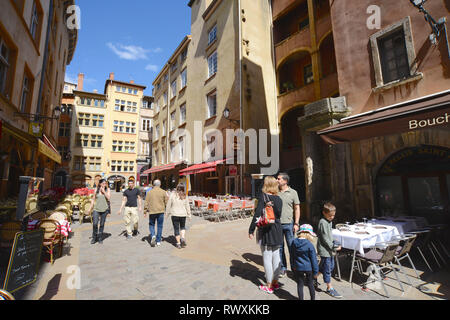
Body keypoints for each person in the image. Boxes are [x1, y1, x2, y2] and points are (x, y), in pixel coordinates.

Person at [248, 176, 283, 294]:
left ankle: (269, 285)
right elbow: (278, 215)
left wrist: (251, 229)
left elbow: (257, 215)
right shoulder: (279, 199)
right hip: (278, 229)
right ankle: (275, 282)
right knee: (276, 257)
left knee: (267, 258)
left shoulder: (263, 197)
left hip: (266, 230)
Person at [276, 172, 301, 277]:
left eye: (279, 179)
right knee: (280, 247)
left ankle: (295, 268)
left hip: (289, 224)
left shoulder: (293, 192)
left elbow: (297, 208)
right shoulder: (275, 192)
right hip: (277, 224)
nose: (277, 180)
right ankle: (283, 268)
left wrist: (296, 223)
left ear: (285, 181)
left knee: (292, 247)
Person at [316, 202, 343, 298]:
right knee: (327, 269)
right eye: (330, 215)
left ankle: (313, 277)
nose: (332, 217)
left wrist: (334, 243)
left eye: (333, 215)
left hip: (329, 249)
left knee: (329, 266)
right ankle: (329, 287)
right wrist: (334, 246)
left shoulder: (329, 221)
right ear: (324, 213)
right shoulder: (323, 222)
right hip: (324, 250)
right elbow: (325, 238)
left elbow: (329, 235)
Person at [290, 224, 319, 300]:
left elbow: (292, 255)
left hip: (298, 267)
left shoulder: (293, 242)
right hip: (308, 268)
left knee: (300, 284)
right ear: (308, 234)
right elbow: (314, 259)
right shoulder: (309, 245)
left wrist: (292, 266)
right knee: (310, 284)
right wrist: (316, 272)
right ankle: (312, 298)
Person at [165, 184, 191, 249]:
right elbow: (187, 206)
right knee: (182, 227)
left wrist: (167, 213)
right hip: (183, 214)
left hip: (174, 214)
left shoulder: (172, 195)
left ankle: (178, 243)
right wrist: (189, 215)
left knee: (176, 228)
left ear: (177, 188)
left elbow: (168, 205)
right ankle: (182, 237)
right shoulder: (185, 196)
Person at [144, 179, 168, 247]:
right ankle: (158, 241)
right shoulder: (163, 192)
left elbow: (146, 202)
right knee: (160, 226)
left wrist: (145, 211)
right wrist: (167, 210)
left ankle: (153, 235)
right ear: (160, 185)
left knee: (151, 224)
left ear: (153, 185)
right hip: (161, 211)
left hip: (152, 211)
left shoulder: (149, 192)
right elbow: (166, 202)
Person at [88, 179, 111, 244]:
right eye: (103, 183)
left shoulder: (107, 190)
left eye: (105, 183)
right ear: (100, 184)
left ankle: (100, 238)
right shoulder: (96, 190)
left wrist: (104, 191)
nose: (104, 184)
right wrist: (90, 209)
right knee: (95, 224)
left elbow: (109, 198)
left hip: (104, 209)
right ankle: (94, 237)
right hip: (96, 209)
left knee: (102, 224)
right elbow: (93, 200)